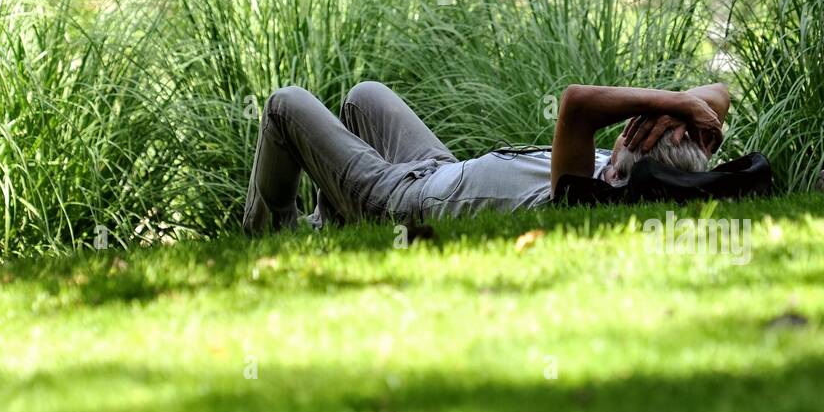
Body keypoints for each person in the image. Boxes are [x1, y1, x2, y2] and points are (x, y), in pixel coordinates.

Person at [242, 80, 731, 233]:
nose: (631, 131)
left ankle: (268, 232)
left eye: (636, 133)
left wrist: (666, 102)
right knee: (363, 97)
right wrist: (688, 107)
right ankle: (330, 230)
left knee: (285, 105)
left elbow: (577, 103)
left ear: (623, 164)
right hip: (438, 169)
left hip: (403, 201)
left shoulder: (583, 192)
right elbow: (720, 93)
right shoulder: (629, 169)